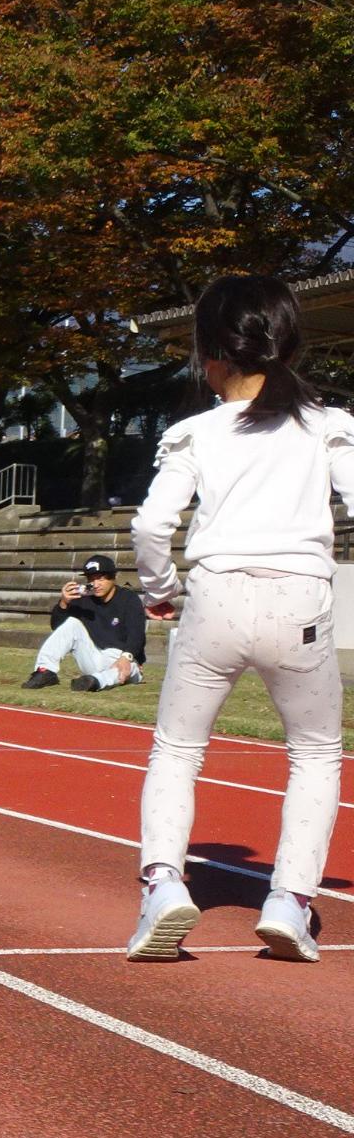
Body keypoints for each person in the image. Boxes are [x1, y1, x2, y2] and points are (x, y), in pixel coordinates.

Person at [126, 274, 354, 963]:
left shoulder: (193, 433)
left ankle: (164, 884)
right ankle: (290, 900)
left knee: (177, 749)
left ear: (208, 357)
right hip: (302, 602)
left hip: (216, 596)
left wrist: (158, 588)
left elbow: (150, 525)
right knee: (314, 754)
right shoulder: (331, 426)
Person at [20, 554, 147, 691]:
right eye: (91, 579)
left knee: (125, 669)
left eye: (101, 579)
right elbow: (58, 628)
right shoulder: (84, 599)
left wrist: (126, 657)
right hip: (93, 656)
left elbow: (137, 634)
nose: (96, 584)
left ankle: (95, 682)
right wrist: (64, 603)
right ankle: (45, 672)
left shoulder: (128, 599)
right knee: (72, 623)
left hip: (122, 658)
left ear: (113, 577)